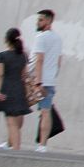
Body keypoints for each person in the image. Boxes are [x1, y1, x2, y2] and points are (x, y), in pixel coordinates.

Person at [27, 8, 62, 149]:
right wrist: (51, 77)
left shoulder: (41, 38)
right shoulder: (57, 38)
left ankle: (12, 142)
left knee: (16, 109)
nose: (38, 22)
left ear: (48, 21)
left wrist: (37, 82)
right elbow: (59, 62)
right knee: (46, 111)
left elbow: (39, 60)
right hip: (49, 80)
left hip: (36, 80)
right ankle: (42, 145)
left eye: (40, 19)